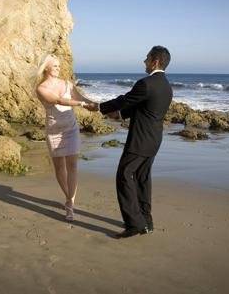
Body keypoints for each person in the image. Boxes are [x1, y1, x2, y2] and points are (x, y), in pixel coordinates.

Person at [87, 46, 173, 238]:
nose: (144, 61)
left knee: (124, 176)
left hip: (140, 141)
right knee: (143, 179)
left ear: (155, 61)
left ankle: (135, 224)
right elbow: (140, 107)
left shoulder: (146, 83)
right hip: (154, 140)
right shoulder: (167, 86)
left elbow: (125, 100)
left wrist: (99, 107)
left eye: (147, 58)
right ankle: (146, 222)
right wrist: (118, 115)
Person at [35, 54, 96, 221]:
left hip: (71, 129)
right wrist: (81, 104)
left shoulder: (67, 84)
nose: (58, 69)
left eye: (59, 66)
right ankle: (69, 197)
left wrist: (96, 105)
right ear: (46, 67)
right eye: (54, 66)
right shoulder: (41, 88)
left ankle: (70, 203)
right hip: (54, 131)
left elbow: (80, 98)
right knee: (59, 168)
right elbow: (58, 101)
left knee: (73, 167)